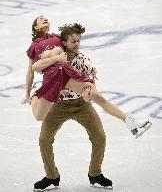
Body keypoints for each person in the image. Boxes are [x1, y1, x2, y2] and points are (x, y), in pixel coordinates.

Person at [25, 16, 151, 190]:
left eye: (78, 41)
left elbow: (92, 86)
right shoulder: (52, 55)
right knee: (44, 139)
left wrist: (88, 94)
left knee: (99, 136)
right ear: (63, 42)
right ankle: (52, 177)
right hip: (58, 105)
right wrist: (30, 92)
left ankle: (95, 174)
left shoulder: (83, 60)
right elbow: (34, 67)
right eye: (73, 41)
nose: (76, 44)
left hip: (81, 105)